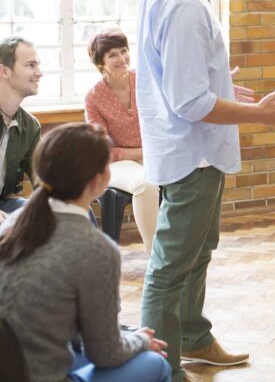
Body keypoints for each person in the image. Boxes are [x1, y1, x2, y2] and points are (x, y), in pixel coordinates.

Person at [136, 0, 275, 382]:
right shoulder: (184, 0)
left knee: (198, 250)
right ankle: (160, 368)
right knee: (169, 267)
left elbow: (182, 77)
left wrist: (224, 86)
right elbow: (189, 103)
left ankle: (192, 336)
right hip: (192, 153)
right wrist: (259, 114)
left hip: (189, 148)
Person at [0, 122, 172, 382]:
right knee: (155, 363)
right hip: (39, 373)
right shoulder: (97, 250)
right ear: (100, 180)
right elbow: (105, 354)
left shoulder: (12, 224)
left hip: (15, 364)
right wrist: (138, 340)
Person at [85, 29, 160, 253]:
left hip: (155, 153)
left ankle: (182, 251)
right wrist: (142, 153)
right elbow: (102, 150)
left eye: (124, 51)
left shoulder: (146, 80)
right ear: (100, 63)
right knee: (145, 185)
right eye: (112, 55)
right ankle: (155, 255)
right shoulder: (94, 96)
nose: (121, 58)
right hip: (118, 163)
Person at [0, 36, 42, 222]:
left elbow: (42, 178)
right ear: (4, 71)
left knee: (66, 211)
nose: (39, 73)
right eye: (30, 65)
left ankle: (94, 251)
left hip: (3, 205)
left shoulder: (30, 126)